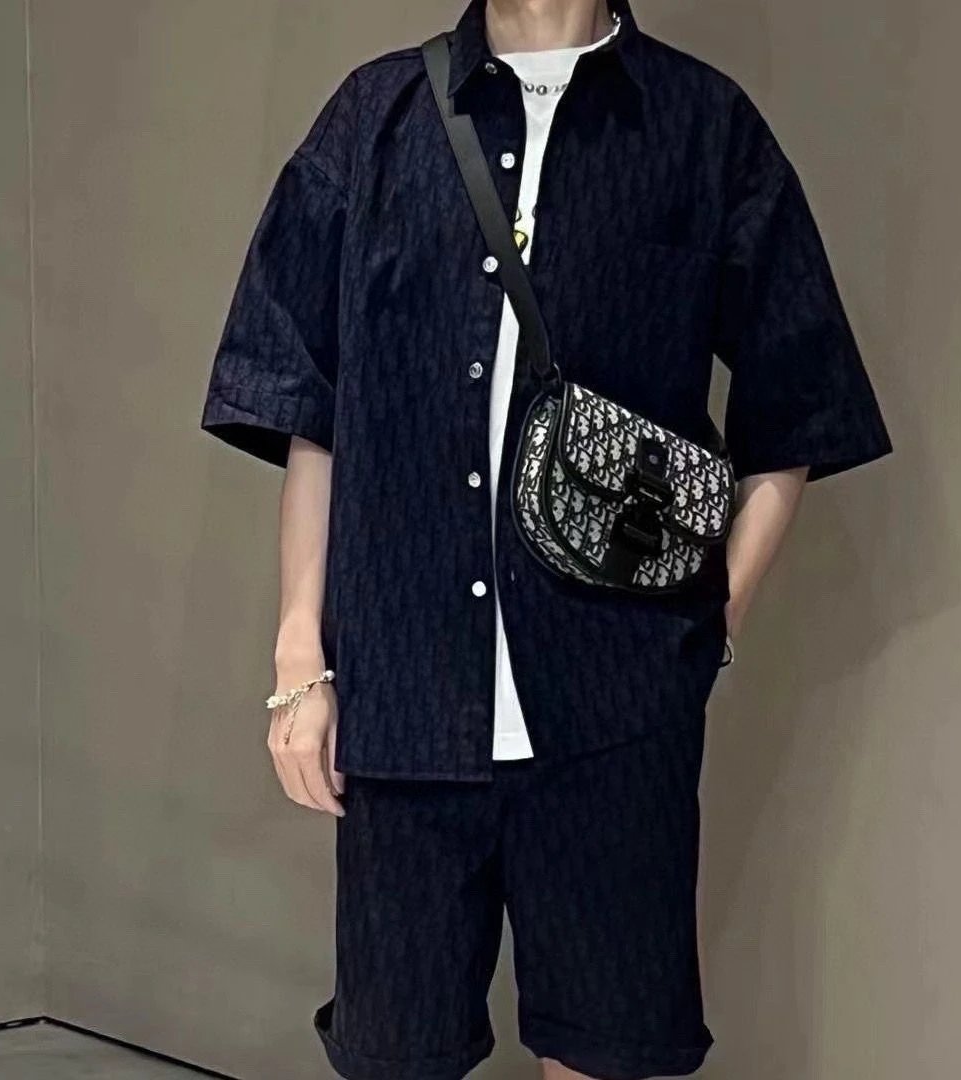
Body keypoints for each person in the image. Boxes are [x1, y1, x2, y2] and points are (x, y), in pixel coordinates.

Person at [199, 0, 893, 1076]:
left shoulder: (702, 127)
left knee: (603, 1050)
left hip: (615, 714)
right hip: (404, 700)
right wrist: (301, 663)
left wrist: (707, 629)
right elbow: (309, 409)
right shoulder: (375, 117)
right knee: (395, 1054)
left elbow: (798, 404)